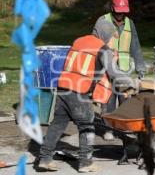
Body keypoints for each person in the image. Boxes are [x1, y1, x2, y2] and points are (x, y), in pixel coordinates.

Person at [38, 21, 134, 173]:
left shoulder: (78, 41)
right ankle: (85, 163)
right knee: (87, 125)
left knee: (57, 124)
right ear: (105, 34)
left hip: (63, 87)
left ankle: (45, 159)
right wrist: (131, 83)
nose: (110, 41)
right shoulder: (102, 48)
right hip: (78, 91)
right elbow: (114, 72)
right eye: (110, 37)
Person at [92, 0, 146, 140]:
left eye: (123, 12)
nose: (120, 15)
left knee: (125, 100)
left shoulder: (130, 24)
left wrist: (140, 66)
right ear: (112, 9)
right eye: (118, 12)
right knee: (109, 100)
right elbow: (94, 43)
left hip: (124, 69)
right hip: (106, 68)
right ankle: (108, 129)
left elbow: (135, 46)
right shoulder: (102, 21)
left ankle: (125, 128)